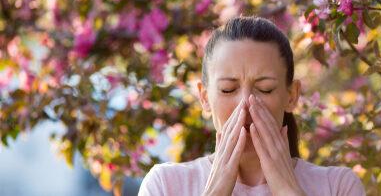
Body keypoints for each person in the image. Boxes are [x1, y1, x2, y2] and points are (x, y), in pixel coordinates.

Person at [138, 16, 365, 196]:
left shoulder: (338, 186)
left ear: (292, 95)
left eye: (265, 89)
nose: (246, 104)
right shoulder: (165, 185)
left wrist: (288, 190)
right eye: (228, 89)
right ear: (205, 97)